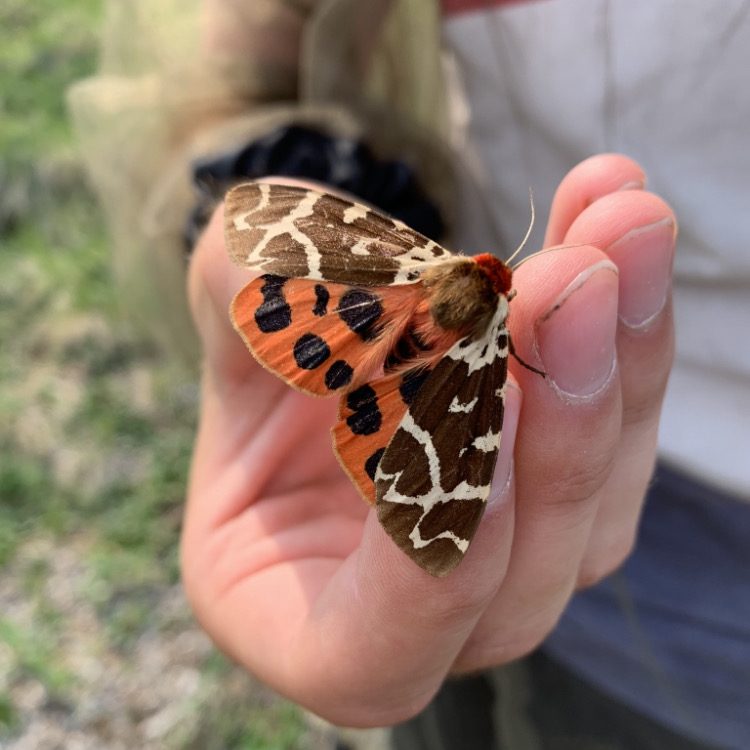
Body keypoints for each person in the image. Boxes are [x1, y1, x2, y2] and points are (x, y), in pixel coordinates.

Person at [69, 1, 749, 748]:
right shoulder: (489, 325)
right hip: (470, 407)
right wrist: (290, 164)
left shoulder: (423, 263)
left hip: (692, 572)